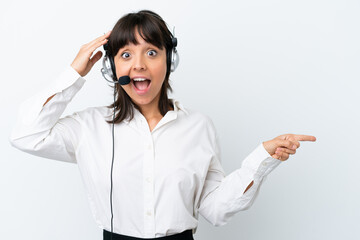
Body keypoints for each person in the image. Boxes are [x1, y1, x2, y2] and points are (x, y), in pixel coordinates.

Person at [9, 9, 316, 240]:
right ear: (112, 67)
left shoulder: (199, 126)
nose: (139, 64)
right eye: (126, 54)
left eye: (152, 52)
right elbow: (25, 134)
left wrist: (261, 159)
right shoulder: (88, 126)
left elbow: (216, 210)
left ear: (169, 62)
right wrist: (74, 72)